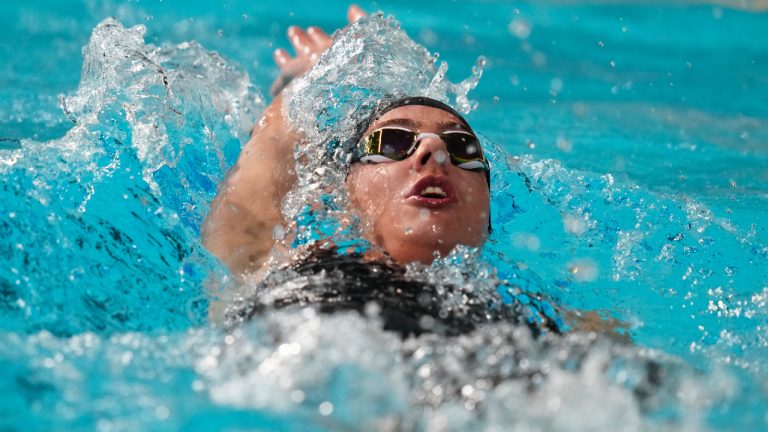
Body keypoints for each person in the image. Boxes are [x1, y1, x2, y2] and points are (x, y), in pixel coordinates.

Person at [202, 6, 562, 336]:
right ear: (341, 196)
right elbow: (259, 182)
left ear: (488, 214)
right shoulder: (276, 266)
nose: (434, 151)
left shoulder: (532, 316)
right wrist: (308, 80)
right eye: (392, 142)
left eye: (462, 148)